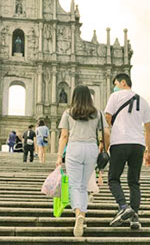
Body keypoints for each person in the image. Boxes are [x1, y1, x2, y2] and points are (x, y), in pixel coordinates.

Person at [56, 85, 109, 237]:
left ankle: (78, 213)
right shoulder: (97, 113)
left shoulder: (68, 112)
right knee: (84, 186)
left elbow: (64, 136)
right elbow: (106, 132)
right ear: (89, 97)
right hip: (91, 148)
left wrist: (60, 155)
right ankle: (82, 216)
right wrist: (102, 145)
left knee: (75, 185)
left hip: (74, 148)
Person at [104, 73, 150, 230]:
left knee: (113, 178)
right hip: (138, 145)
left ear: (123, 82)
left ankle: (123, 206)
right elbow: (148, 129)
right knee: (134, 181)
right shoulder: (143, 101)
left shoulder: (115, 96)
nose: (115, 86)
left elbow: (107, 118)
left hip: (119, 142)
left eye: (116, 83)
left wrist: (110, 133)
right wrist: (149, 151)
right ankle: (134, 216)